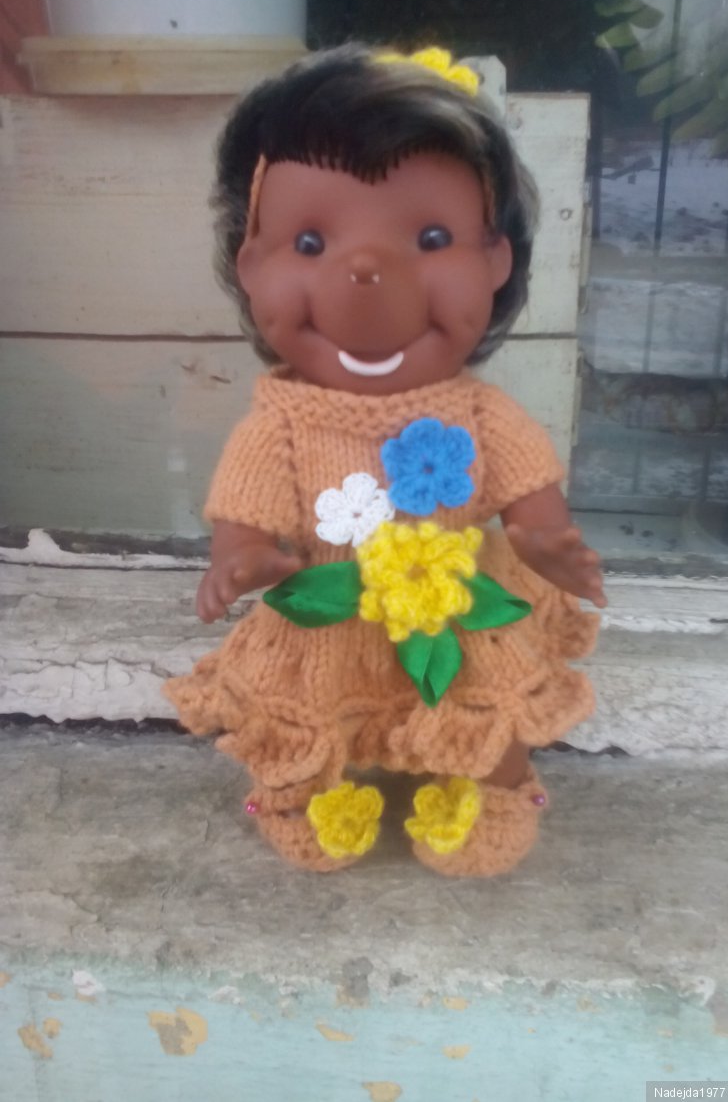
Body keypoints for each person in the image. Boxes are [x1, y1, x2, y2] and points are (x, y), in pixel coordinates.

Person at [164, 44, 606, 876]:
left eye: (431, 237)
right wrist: (241, 556)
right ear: (251, 264)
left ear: (496, 259)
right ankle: (303, 789)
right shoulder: (282, 425)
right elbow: (245, 509)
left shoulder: (482, 415)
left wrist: (547, 542)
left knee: (488, 702)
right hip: (329, 615)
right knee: (301, 712)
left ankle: (496, 783)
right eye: (310, 241)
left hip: (455, 607)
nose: (366, 270)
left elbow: (530, 495)